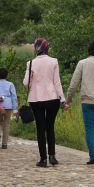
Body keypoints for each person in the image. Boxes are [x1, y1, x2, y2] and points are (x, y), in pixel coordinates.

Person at [24, 38, 68, 167]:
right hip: (52, 98)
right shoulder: (54, 61)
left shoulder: (30, 63)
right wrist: (63, 100)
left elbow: (26, 82)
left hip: (36, 99)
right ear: (47, 48)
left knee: (40, 128)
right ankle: (52, 156)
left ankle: (43, 159)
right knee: (50, 127)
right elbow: (57, 82)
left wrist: (34, 80)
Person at [0, 68, 18, 149]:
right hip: (8, 105)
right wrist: (15, 109)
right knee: (7, 124)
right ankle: (4, 144)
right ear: (7, 75)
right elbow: (14, 97)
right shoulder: (10, 84)